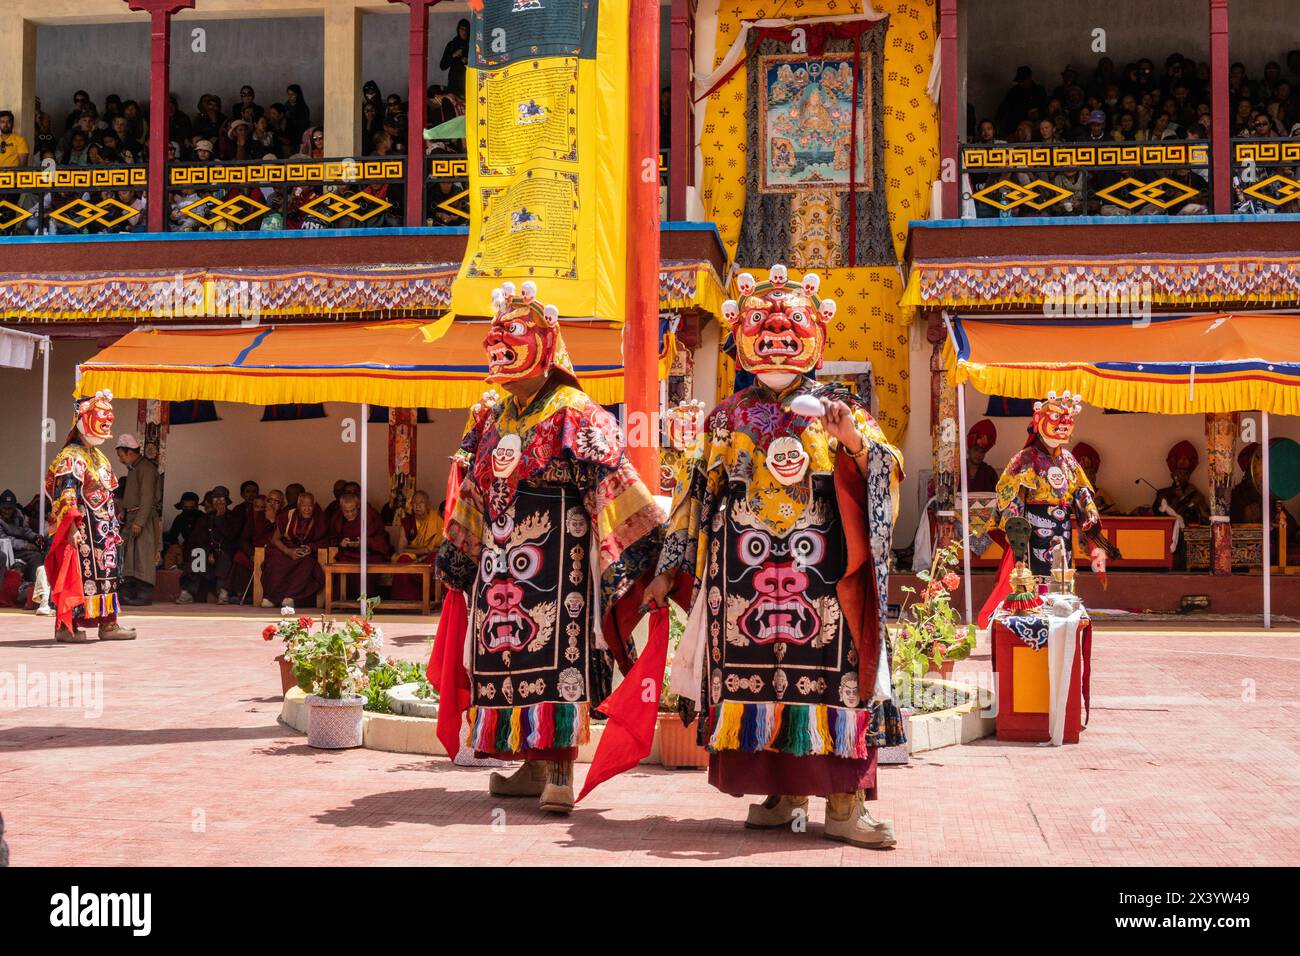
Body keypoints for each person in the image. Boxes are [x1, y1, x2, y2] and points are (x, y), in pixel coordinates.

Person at [644, 264, 905, 848]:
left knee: (832, 684)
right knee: (760, 685)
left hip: (825, 579)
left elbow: (887, 478)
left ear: (817, 334)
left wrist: (855, 445)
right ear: (739, 334)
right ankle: (781, 793)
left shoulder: (841, 409)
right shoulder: (726, 419)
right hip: (744, 579)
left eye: (793, 328)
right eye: (762, 326)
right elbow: (694, 494)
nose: (778, 336)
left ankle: (844, 805)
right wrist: (668, 569)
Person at [433, 281, 665, 814]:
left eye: (512, 333)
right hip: (499, 564)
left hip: (561, 566)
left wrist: (643, 554)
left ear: (546, 342)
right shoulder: (491, 416)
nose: (498, 343)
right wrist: (459, 552)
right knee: (503, 656)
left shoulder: (575, 411)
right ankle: (530, 762)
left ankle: (559, 767)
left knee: (554, 657)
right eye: (494, 335)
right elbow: (473, 488)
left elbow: (613, 484)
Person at [978, 391, 1119, 625]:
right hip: (1032, 527)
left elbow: (1081, 489)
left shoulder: (1069, 460)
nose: (1063, 426)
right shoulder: (1024, 459)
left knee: (1062, 571)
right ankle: (1032, 617)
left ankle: (1061, 616)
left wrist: (1089, 509)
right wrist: (1016, 524)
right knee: (1035, 574)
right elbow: (1006, 492)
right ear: (1038, 421)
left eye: (1067, 421)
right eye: (1056, 419)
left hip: (1062, 526)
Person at [44, 389, 137, 642]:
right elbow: (67, 495)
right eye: (102, 415)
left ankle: (108, 624)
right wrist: (71, 529)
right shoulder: (71, 456)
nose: (107, 421)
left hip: (103, 532)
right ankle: (67, 627)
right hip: (82, 530)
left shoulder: (98, 456)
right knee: (80, 576)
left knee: (106, 577)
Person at [114, 434, 161, 606]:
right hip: (132, 517)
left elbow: (147, 498)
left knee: (143, 556)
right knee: (129, 556)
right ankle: (128, 592)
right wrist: (125, 513)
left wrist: (139, 522)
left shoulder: (146, 469)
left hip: (144, 518)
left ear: (129, 452)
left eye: (121, 455)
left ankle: (144, 594)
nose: (120, 459)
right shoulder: (134, 468)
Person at [261, 490, 327, 610]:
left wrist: (310, 548)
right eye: (304, 506)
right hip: (286, 549)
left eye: (310, 506)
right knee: (274, 561)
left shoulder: (318, 518)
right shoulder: (288, 515)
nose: (307, 509)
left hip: (304, 552)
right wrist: (288, 551)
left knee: (308, 563)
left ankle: (290, 597)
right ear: (298, 506)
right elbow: (275, 539)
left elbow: (326, 539)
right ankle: (271, 598)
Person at [179, 486, 242, 605]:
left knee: (224, 557)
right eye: (215, 500)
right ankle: (189, 592)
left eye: (221, 500)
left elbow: (231, 537)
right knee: (198, 554)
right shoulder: (206, 518)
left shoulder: (234, 517)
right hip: (209, 551)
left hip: (227, 550)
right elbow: (198, 539)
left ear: (227, 501)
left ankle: (223, 592)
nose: (218, 503)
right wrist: (208, 552)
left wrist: (221, 517)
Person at [329, 491, 392, 599]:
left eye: (352, 510)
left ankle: (365, 602)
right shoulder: (337, 518)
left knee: (367, 568)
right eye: (346, 511)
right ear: (341, 509)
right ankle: (343, 603)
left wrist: (366, 541)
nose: (349, 514)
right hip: (347, 555)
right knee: (339, 567)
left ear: (358, 506)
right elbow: (332, 538)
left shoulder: (370, 515)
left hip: (369, 555)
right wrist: (341, 543)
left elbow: (382, 539)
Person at [392, 489, 441, 601]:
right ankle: (404, 600)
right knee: (403, 559)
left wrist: (426, 554)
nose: (417, 506)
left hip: (429, 556)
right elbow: (400, 549)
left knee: (439, 558)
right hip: (413, 557)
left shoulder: (436, 520)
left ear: (428, 505)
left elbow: (443, 546)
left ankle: (433, 599)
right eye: (414, 503)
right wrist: (422, 551)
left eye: (421, 503)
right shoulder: (407, 522)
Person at [0, 488, 45, 585]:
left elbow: (26, 530)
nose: (7, 512)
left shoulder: (18, 514)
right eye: (4, 508)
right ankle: (33, 586)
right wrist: (26, 545)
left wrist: (35, 537)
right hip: (8, 549)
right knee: (35, 556)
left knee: (43, 552)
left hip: (20, 546)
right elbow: (6, 540)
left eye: (10, 508)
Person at [1071, 442, 1118, 515]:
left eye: (1094, 473)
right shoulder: (1069, 494)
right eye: (1090, 473)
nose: (1093, 477)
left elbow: (1114, 515)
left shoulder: (1101, 493)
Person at [966, 419, 999, 493]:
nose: (979, 455)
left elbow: (997, 495)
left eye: (982, 452)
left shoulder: (990, 473)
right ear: (968, 451)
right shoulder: (959, 471)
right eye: (976, 450)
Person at [440, 20, 471, 96]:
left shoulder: (473, 45)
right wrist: (453, 55)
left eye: (466, 30)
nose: (464, 32)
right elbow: (442, 66)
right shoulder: (452, 45)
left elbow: (481, 64)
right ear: (458, 30)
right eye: (462, 29)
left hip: (469, 84)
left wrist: (468, 62)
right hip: (453, 85)